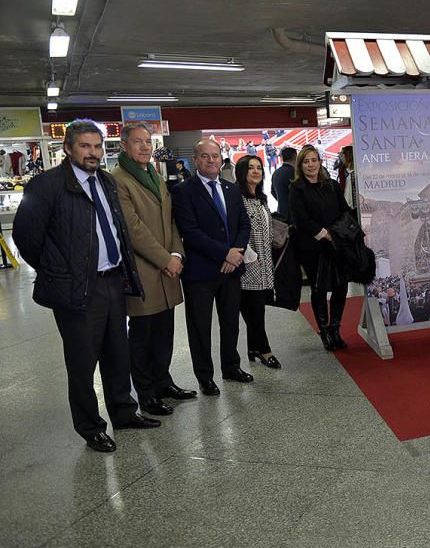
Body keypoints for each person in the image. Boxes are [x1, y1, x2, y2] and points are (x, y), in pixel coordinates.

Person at [12, 119, 158, 453]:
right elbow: (26, 237)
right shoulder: (46, 186)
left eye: (96, 147)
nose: (92, 153)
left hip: (112, 281)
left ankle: (124, 412)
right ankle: (91, 427)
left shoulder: (105, 181)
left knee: (117, 353)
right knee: (82, 361)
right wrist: (59, 272)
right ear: (68, 148)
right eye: (85, 146)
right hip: (77, 289)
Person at [112, 123, 196, 415]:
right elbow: (132, 229)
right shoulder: (119, 180)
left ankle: (163, 381)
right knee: (143, 334)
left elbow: (170, 218)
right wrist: (165, 259)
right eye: (138, 142)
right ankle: (146, 393)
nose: (145, 147)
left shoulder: (154, 175)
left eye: (148, 142)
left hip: (168, 268)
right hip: (144, 271)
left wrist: (176, 253)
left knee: (165, 332)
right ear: (124, 145)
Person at [172, 139, 254, 394]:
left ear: (221, 158)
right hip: (201, 272)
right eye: (205, 156)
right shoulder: (183, 191)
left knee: (230, 321)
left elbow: (244, 224)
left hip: (232, 270)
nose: (211, 160)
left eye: (215, 156)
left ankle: (231, 367)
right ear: (195, 160)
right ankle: (205, 376)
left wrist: (236, 253)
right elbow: (191, 232)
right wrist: (225, 254)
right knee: (200, 327)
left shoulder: (232, 189)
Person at [289, 145, 353, 350]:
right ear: (301, 165)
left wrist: (341, 232)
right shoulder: (297, 188)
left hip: (335, 245)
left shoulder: (332, 185)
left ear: (320, 161)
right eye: (306, 161)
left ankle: (335, 328)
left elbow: (344, 211)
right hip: (312, 248)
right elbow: (300, 218)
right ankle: (324, 331)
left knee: (341, 286)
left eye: (314, 160)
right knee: (319, 289)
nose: (311, 165)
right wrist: (322, 233)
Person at [235, 154, 280, 369]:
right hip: (247, 264)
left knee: (257, 308)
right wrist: (250, 256)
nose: (256, 172)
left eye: (259, 168)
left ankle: (253, 347)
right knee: (253, 311)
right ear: (241, 173)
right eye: (251, 168)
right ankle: (264, 350)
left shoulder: (261, 198)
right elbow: (236, 231)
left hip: (265, 264)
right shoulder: (237, 198)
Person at [271, 147, 296, 217]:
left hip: (281, 211)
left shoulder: (276, 173)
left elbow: (272, 192)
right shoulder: (295, 173)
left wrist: (282, 201)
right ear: (295, 157)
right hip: (293, 214)